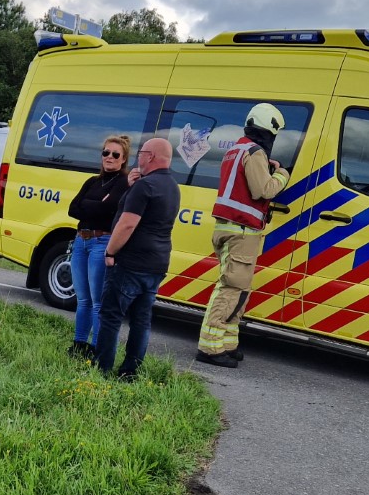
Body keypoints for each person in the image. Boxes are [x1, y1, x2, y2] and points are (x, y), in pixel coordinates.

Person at [196, 103, 293, 368]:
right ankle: (210, 348)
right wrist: (283, 174)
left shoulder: (235, 149)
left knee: (239, 289)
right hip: (241, 231)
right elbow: (264, 189)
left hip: (229, 229)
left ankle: (227, 344)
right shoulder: (255, 152)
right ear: (268, 129)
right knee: (231, 289)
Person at [95, 136, 180, 382]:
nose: (138, 157)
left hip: (131, 262)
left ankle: (101, 370)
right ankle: (130, 371)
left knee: (111, 316)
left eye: (141, 152)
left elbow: (127, 224)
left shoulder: (145, 186)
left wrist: (110, 252)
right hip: (157, 263)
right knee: (141, 320)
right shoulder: (172, 186)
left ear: (151, 156)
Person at [66, 134, 132, 357]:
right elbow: (72, 209)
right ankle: (79, 344)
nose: (109, 157)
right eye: (106, 152)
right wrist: (96, 204)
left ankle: (97, 348)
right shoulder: (92, 182)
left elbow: (110, 210)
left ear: (123, 159)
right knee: (82, 298)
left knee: (97, 301)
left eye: (115, 154)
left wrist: (89, 205)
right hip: (81, 240)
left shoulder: (123, 183)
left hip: (101, 242)